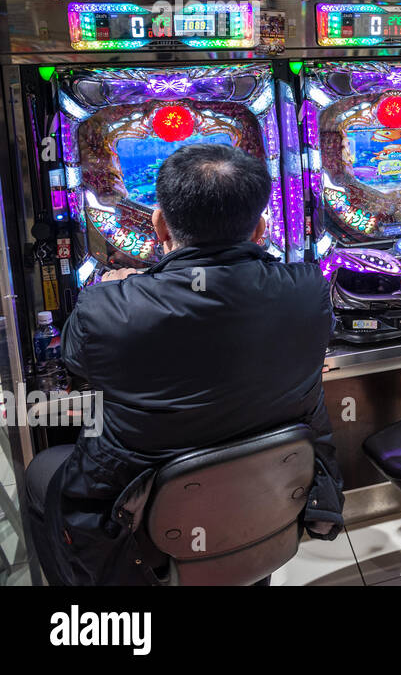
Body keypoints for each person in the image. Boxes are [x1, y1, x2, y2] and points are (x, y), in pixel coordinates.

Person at [24, 144, 343, 585]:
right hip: (271, 493)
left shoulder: (108, 306)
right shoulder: (309, 289)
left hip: (144, 518)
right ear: (260, 228)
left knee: (42, 470)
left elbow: (76, 361)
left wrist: (127, 288)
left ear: (158, 224)